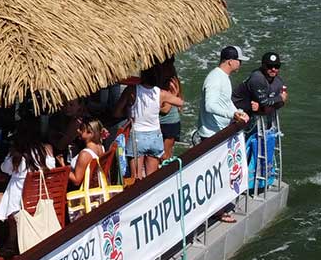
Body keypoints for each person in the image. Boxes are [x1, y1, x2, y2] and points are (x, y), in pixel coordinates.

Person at [0, 117, 58, 251]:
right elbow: (52, 168)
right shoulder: (47, 150)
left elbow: (3, 168)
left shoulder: (17, 157)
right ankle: (12, 240)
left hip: (21, 207)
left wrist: (10, 153)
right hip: (40, 202)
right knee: (12, 198)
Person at [199, 46, 250, 222]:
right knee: (216, 174)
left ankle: (218, 207)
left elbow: (225, 103)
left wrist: (239, 111)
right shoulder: (215, 78)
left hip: (219, 133)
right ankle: (216, 210)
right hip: (211, 135)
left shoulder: (223, 77)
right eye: (239, 60)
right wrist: (232, 115)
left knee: (222, 172)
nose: (240, 63)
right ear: (230, 61)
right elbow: (210, 105)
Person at [124, 60, 187, 180]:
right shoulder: (161, 93)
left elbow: (116, 112)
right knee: (152, 178)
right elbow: (180, 102)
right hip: (155, 136)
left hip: (137, 136)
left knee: (136, 178)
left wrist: (128, 109)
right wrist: (175, 93)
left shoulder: (132, 90)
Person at [234, 52, 289, 187]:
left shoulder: (278, 81)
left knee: (256, 147)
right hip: (238, 116)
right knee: (241, 149)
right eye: (270, 66)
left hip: (254, 116)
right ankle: (238, 180)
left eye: (277, 66)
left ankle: (255, 179)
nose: (274, 69)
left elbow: (277, 105)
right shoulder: (257, 79)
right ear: (263, 66)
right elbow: (268, 101)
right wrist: (278, 99)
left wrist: (265, 105)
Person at [157, 58, 185, 156]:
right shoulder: (173, 78)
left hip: (168, 123)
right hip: (170, 122)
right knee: (166, 154)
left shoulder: (168, 83)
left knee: (165, 155)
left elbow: (165, 110)